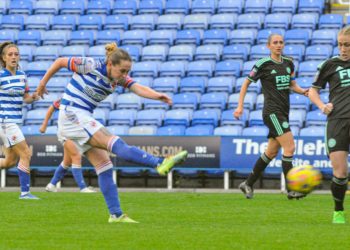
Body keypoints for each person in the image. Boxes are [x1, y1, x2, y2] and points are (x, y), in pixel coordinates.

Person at [36, 42, 188, 223]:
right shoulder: (90, 65)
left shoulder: (118, 78)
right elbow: (61, 61)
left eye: (127, 71)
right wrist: (42, 83)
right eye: (122, 71)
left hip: (79, 117)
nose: (125, 75)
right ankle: (160, 163)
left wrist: (157, 95)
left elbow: (137, 87)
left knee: (105, 166)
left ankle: (115, 215)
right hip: (72, 114)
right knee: (116, 144)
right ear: (110, 64)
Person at [233, 34, 309, 200]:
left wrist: (303, 91)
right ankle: (291, 189)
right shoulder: (263, 64)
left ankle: (247, 183)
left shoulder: (289, 62)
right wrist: (240, 106)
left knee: (271, 152)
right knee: (290, 148)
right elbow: (245, 83)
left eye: (281, 42)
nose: (278, 45)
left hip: (283, 112)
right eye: (275, 43)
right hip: (272, 112)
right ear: (269, 46)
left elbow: (292, 84)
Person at [309, 26, 350, 224]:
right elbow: (312, 91)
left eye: (347, 45)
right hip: (337, 122)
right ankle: (338, 211)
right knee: (340, 172)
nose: (343, 49)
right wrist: (322, 106)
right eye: (340, 44)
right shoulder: (329, 65)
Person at [0, 41, 40, 199]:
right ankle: (25, 193)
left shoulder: (22, 76)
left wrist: (33, 97)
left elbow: (26, 99)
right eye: (10, 54)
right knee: (25, 153)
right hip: (5, 121)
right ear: (3, 58)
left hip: (14, 121)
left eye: (16, 54)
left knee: (9, 161)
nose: (13, 57)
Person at [40, 98, 96, 193]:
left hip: (76, 132)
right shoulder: (67, 98)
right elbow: (51, 108)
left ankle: (51, 185)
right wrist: (44, 125)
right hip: (66, 132)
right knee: (76, 156)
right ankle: (83, 188)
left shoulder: (84, 99)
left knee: (67, 161)